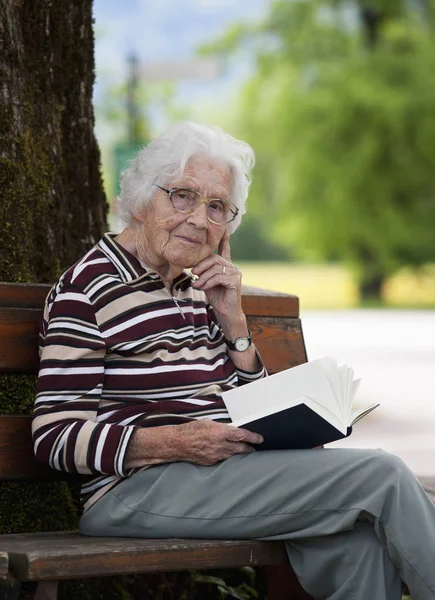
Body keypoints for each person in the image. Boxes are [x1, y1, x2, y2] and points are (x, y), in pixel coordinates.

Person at [32, 121, 435, 600]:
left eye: (217, 207)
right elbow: (53, 437)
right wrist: (175, 442)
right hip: (135, 491)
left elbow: (247, 408)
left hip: (222, 476)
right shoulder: (87, 290)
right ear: (141, 199)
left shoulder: (195, 288)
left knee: (356, 543)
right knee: (381, 475)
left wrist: (235, 327)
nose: (200, 219)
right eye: (182, 195)